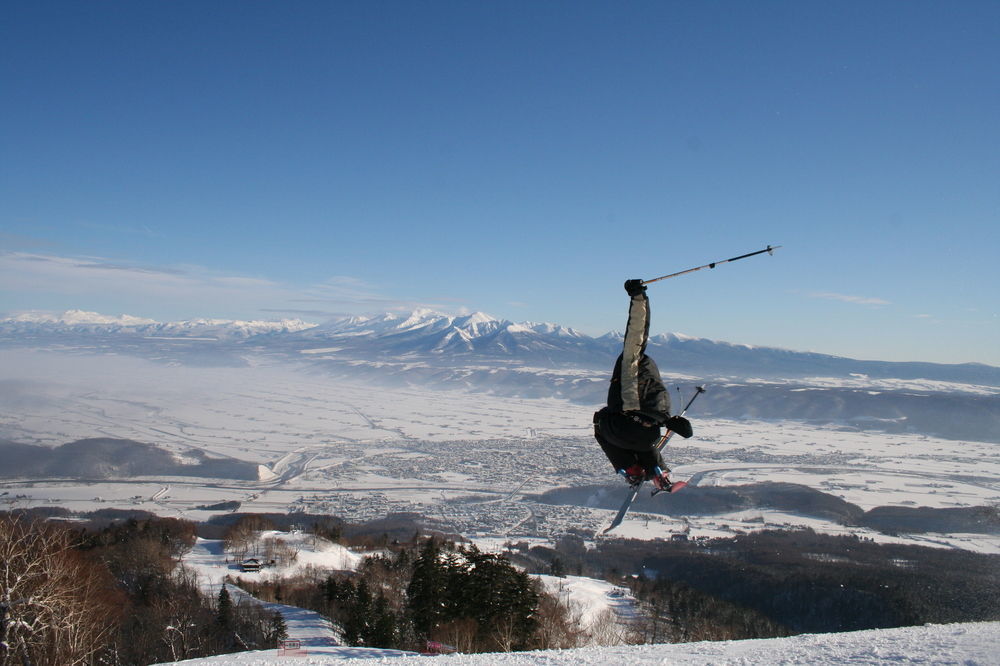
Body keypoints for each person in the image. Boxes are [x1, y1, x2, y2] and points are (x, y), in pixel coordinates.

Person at [593, 279, 692, 491]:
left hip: (621, 433)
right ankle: (660, 473)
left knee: (601, 421)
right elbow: (675, 426)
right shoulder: (659, 394)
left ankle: (630, 470)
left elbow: (637, 329)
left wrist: (638, 296)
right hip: (648, 436)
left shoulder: (631, 364)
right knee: (645, 437)